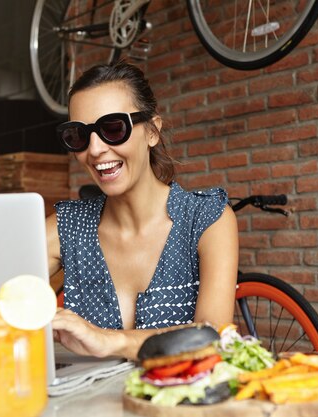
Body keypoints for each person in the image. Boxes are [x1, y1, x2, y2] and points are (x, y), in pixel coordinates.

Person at [46, 61, 238, 361]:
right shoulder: (66, 227)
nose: (94, 150)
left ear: (152, 132)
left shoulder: (206, 219)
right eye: (79, 135)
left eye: (112, 128)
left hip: (175, 405)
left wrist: (110, 341)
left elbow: (211, 338)